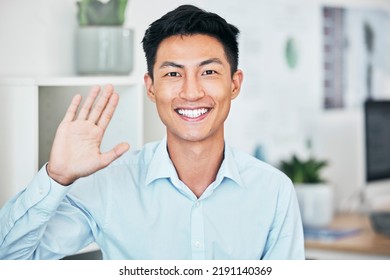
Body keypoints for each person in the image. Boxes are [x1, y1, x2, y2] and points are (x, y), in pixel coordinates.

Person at [0, 4, 304, 260]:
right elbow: (11, 260)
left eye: (208, 72)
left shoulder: (273, 191)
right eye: (173, 73)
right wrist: (56, 177)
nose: (192, 91)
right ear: (151, 87)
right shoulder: (109, 186)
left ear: (235, 84)